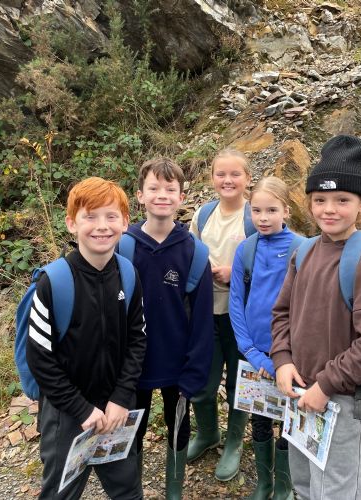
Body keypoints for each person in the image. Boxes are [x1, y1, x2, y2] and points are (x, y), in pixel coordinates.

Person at [271, 135, 361, 500]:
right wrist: (282, 360)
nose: (329, 209)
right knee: (303, 484)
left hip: (342, 398)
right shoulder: (305, 251)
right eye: (320, 200)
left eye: (342, 200)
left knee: (335, 491)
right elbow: (282, 313)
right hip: (300, 390)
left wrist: (325, 385)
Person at [26, 176, 147, 499]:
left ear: (125, 222)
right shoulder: (53, 282)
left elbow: (138, 340)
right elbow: (40, 359)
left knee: (128, 490)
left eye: (111, 216)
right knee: (61, 492)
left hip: (116, 408)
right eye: (90, 216)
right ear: (71, 223)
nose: (101, 226)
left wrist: (121, 397)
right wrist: (81, 410)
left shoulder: (128, 274)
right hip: (67, 414)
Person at [126, 158, 214, 499]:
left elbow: (202, 320)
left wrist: (195, 371)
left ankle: (174, 490)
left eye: (170, 189)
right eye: (153, 188)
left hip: (177, 363)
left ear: (181, 197)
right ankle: (130, 489)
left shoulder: (195, 252)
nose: (161, 195)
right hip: (133, 364)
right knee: (132, 428)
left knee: (178, 425)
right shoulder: (124, 246)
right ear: (140, 195)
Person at [229, 176, 298, 500]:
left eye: (271, 210)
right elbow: (236, 305)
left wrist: (284, 359)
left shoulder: (302, 249)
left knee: (288, 420)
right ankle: (263, 483)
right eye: (256, 210)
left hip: (292, 358)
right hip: (254, 355)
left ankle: (284, 486)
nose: (263, 218)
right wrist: (252, 352)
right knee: (259, 418)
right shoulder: (246, 249)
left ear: (286, 210)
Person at [188, 148, 253, 481]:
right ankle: (207, 432)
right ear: (212, 177)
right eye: (221, 174)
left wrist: (236, 273)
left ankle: (234, 443)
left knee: (239, 382)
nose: (228, 180)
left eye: (235, 174)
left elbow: (270, 264)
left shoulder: (255, 216)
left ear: (247, 179)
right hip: (205, 313)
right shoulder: (203, 214)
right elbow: (189, 253)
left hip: (241, 318)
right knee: (202, 380)